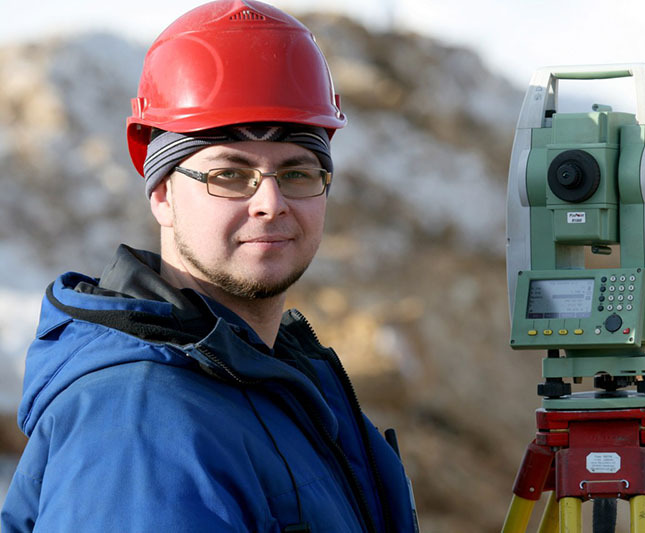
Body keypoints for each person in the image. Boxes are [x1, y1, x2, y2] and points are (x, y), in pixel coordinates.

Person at [0, 1, 418, 532]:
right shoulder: (143, 426)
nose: (271, 201)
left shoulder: (276, 379)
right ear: (162, 195)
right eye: (229, 174)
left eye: (297, 173)